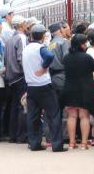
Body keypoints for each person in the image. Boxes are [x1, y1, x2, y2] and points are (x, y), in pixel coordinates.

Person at [23, 24, 64, 152]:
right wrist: (43, 68)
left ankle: (34, 143)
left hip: (31, 86)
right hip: (44, 84)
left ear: (31, 35)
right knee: (54, 114)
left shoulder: (26, 48)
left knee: (32, 116)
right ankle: (57, 145)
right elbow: (49, 56)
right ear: (42, 36)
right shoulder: (40, 47)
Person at [61, 33, 94, 149]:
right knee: (84, 116)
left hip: (69, 89)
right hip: (84, 90)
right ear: (81, 45)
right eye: (84, 43)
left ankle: (72, 143)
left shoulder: (66, 57)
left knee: (71, 116)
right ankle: (84, 144)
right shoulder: (86, 57)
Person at [4, 15, 28, 143]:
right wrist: (28, 74)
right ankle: (22, 135)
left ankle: (13, 135)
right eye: (25, 23)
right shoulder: (22, 38)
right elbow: (22, 58)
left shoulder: (10, 39)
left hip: (10, 77)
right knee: (23, 106)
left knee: (14, 106)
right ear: (21, 25)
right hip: (20, 76)